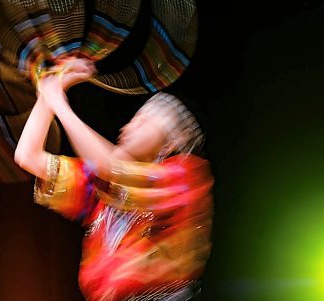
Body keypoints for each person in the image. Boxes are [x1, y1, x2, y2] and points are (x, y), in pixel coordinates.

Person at [14, 57, 213, 301]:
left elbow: (113, 167)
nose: (126, 128)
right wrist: (49, 93)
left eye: (142, 122)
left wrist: (60, 104)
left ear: (172, 141)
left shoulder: (184, 176)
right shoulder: (105, 189)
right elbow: (28, 155)